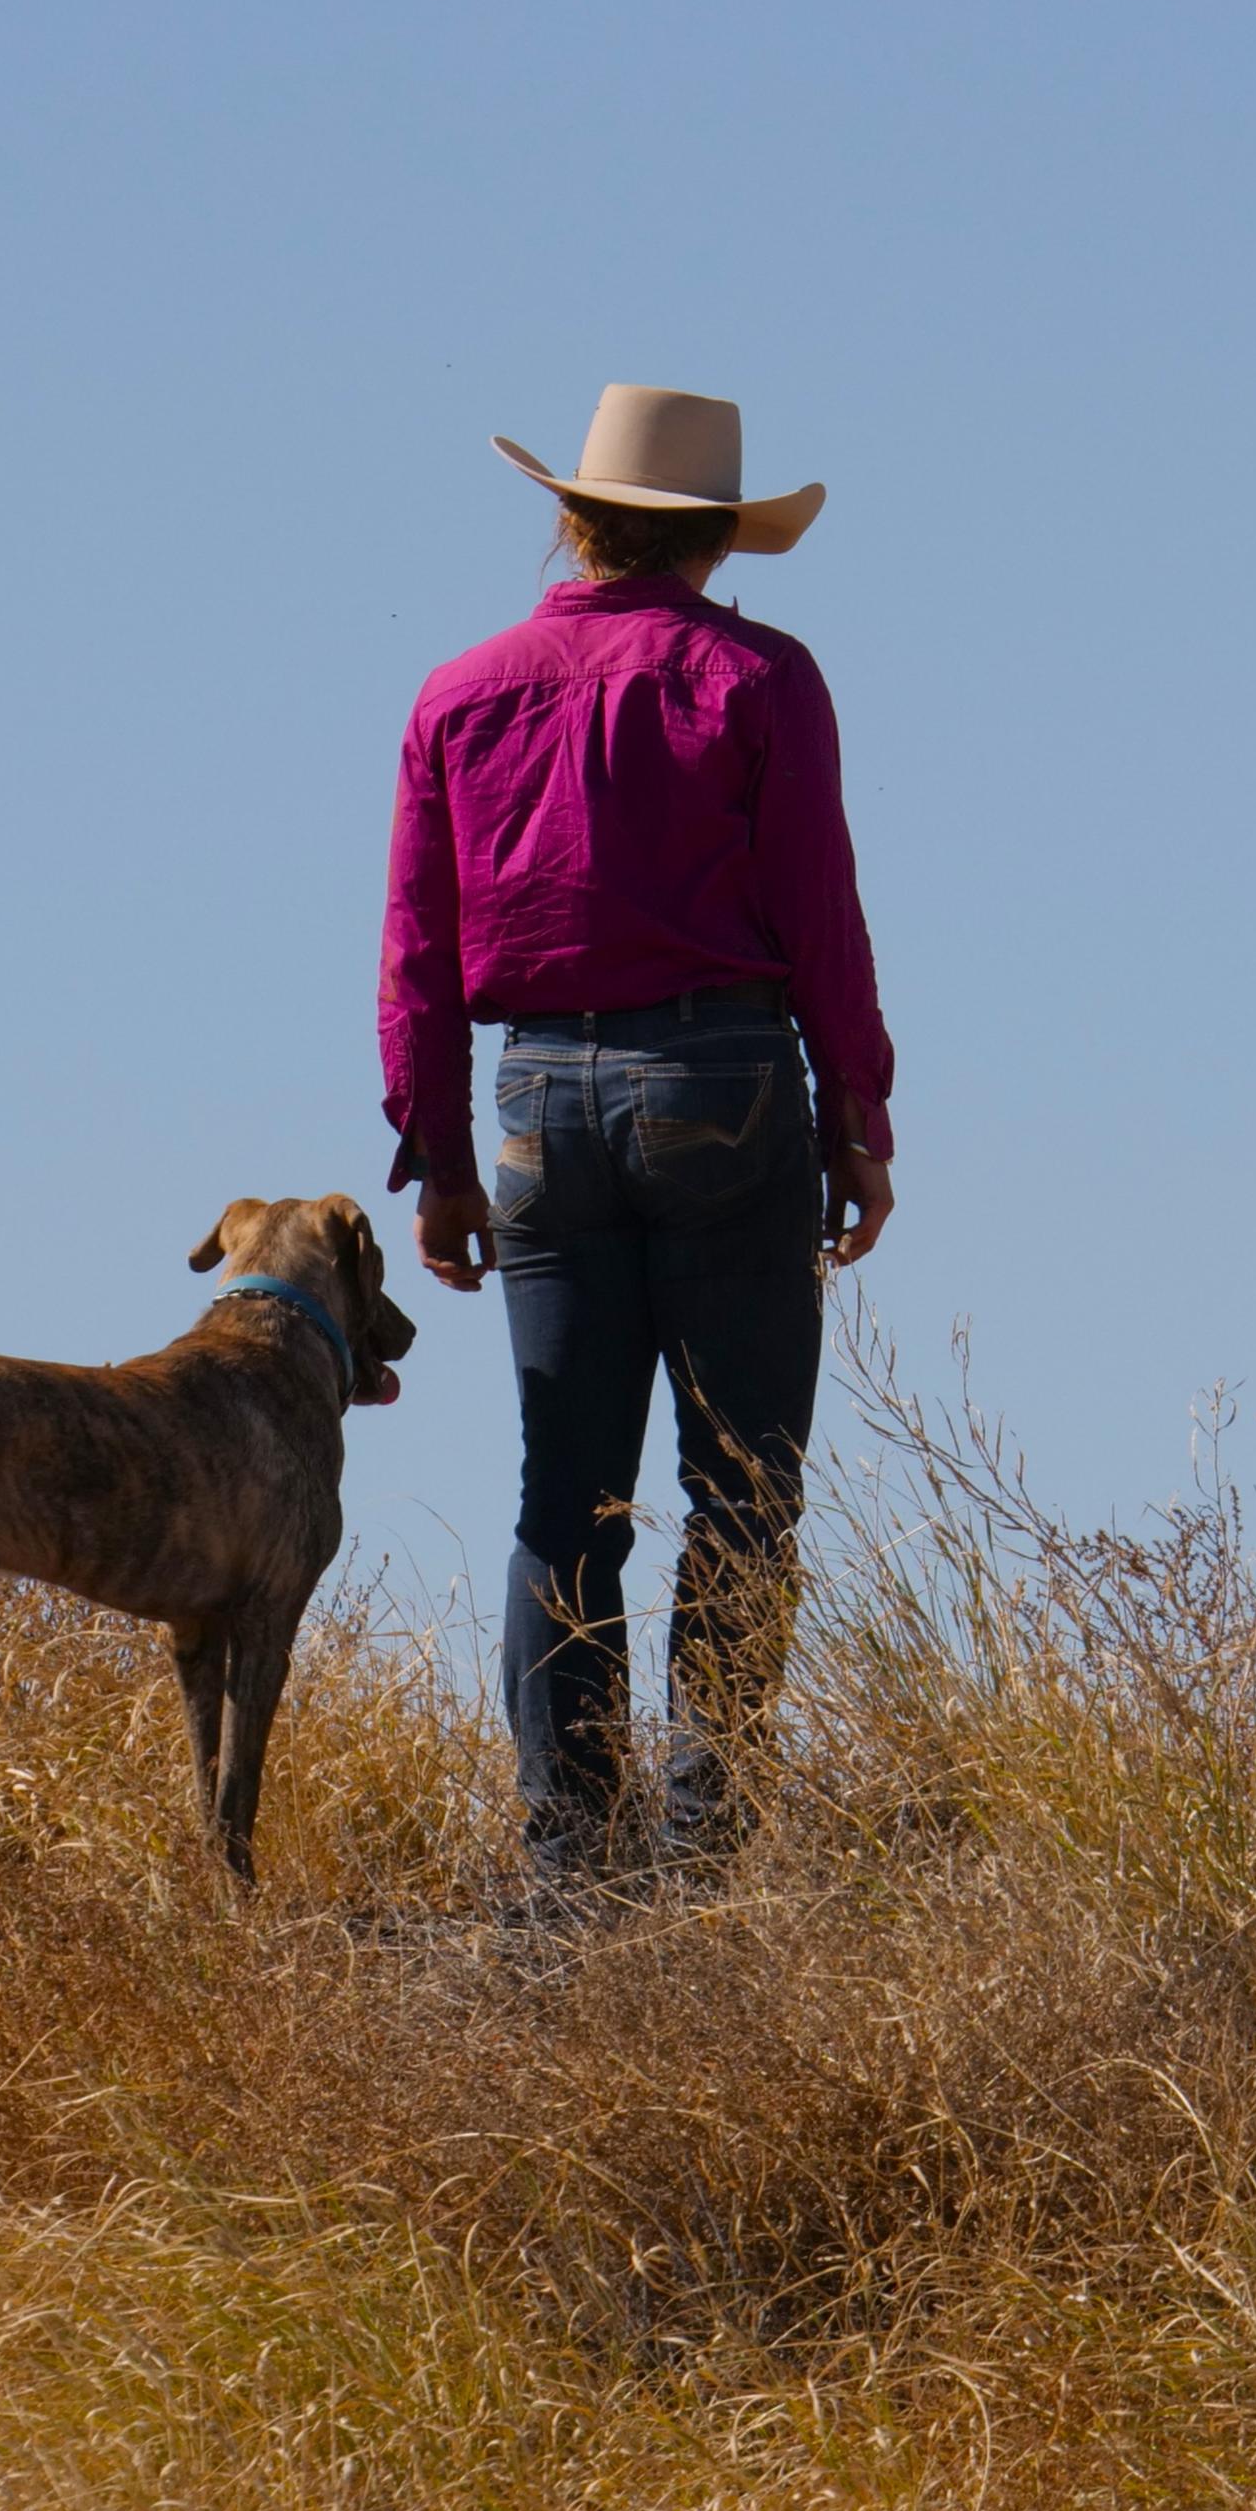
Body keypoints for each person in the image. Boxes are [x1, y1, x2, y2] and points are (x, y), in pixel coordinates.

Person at [380, 385, 898, 1881]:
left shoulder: (458, 692)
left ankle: (569, 1874)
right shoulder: (762, 677)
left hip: (537, 1094)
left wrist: (442, 1151)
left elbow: (418, 946)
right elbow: (818, 917)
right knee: (741, 1486)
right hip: (727, 1077)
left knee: (564, 1498)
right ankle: (704, 1847)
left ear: (574, 516)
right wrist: (857, 1110)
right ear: (714, 539)